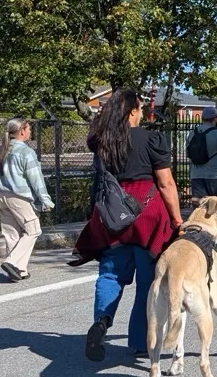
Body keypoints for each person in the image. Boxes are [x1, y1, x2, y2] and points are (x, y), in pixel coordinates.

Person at [72, 88, 183, 362]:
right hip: (147, 212)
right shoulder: (151, 139)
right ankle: (140, 341)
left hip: (112, 212)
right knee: (148, 282)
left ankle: (102, 321)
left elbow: (99, 182)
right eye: (141, 109)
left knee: (110, 274)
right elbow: (166, 184)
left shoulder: (102, 141)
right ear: (133, 111)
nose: (142, 113)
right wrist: (177, 220)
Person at [0, 117, 54, 282]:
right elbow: (36, 179)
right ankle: (11, 262)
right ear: (22, 131)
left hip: (1, 195)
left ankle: (19, 270)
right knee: (33, 230)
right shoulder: (26, 152)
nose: (30, 131)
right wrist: (45, 200)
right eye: (29, 128)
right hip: (20, 197)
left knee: (12, 234)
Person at [187, 106, 217, 200]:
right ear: (215, 118)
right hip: (215, 177)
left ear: (203, 118)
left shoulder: (192, 133)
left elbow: (188, 153)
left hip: (196, 176)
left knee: (200, 209)